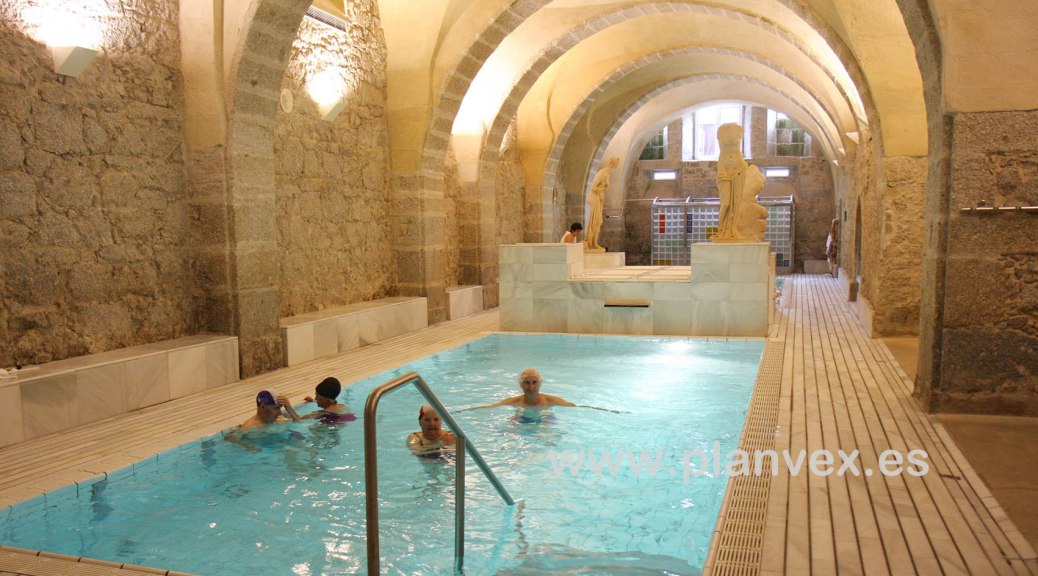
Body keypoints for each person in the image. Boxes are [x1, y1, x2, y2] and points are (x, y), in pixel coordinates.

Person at [225, 389, 301, 451]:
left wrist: (290, 409)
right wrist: (248, 446)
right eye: (276, 408)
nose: (279, 412)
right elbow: (230, 438)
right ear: (262, 407)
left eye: (280, 408)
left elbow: (300, 422)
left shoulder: (279, 418)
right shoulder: (250, 427)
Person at [467, 368, 576, 410]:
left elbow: (574, 407)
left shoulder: (550, 401)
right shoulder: (514, 401)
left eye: (534, 382)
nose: (531, 387)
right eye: (527, 383)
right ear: (521, 385)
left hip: (545, 422)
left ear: (540, 384)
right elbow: (490, 407)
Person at [583, 157, 620, 252]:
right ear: (612, 163)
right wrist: (601, 191)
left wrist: (603, 191)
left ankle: (595, 242)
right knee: (595, 220)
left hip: (599, 199)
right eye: (616, 163)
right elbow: (593, 187)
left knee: (598, 221)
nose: (617, 165)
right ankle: (590, 242)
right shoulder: (602, 173)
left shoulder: (607, 174)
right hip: (595, 198)